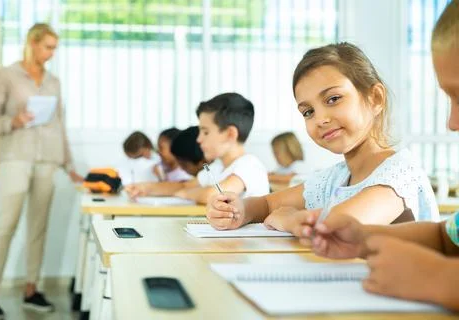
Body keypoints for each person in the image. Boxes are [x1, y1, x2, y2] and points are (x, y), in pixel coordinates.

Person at [300, 1, 459, 312]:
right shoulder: (335, 173)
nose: (451, 123)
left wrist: (438, 277)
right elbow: (446, 238)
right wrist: (364, 238)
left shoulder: (397, 171)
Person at [206, 42, 439, 231]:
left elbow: (335, 230)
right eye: (308, 112)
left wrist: (290, 219)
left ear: (375, 98)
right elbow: (266, 203)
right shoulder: (335, 179)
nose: (320, 119)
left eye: (333, 99)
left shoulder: (400, 174)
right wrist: (238, 209)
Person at [0, 23, 83, 318]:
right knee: (6, 225)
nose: (51, 54)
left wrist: (69, 166)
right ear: (32, 43)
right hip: (16, 156)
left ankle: (31, 290)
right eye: (48, 47)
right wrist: (14, 121)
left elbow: (59, 125)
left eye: (54, 48)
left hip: (47, 160)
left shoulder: (54, 82)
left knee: (38, 227)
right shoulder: (7, 76)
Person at [126, 92, 269, 204]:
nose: (199, 139)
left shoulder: (249, 165)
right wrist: (145, 187)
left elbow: (213, 194)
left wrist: (184, 193)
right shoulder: (218, 167)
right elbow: (184, 186)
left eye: (205, 132)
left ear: (230, 134)